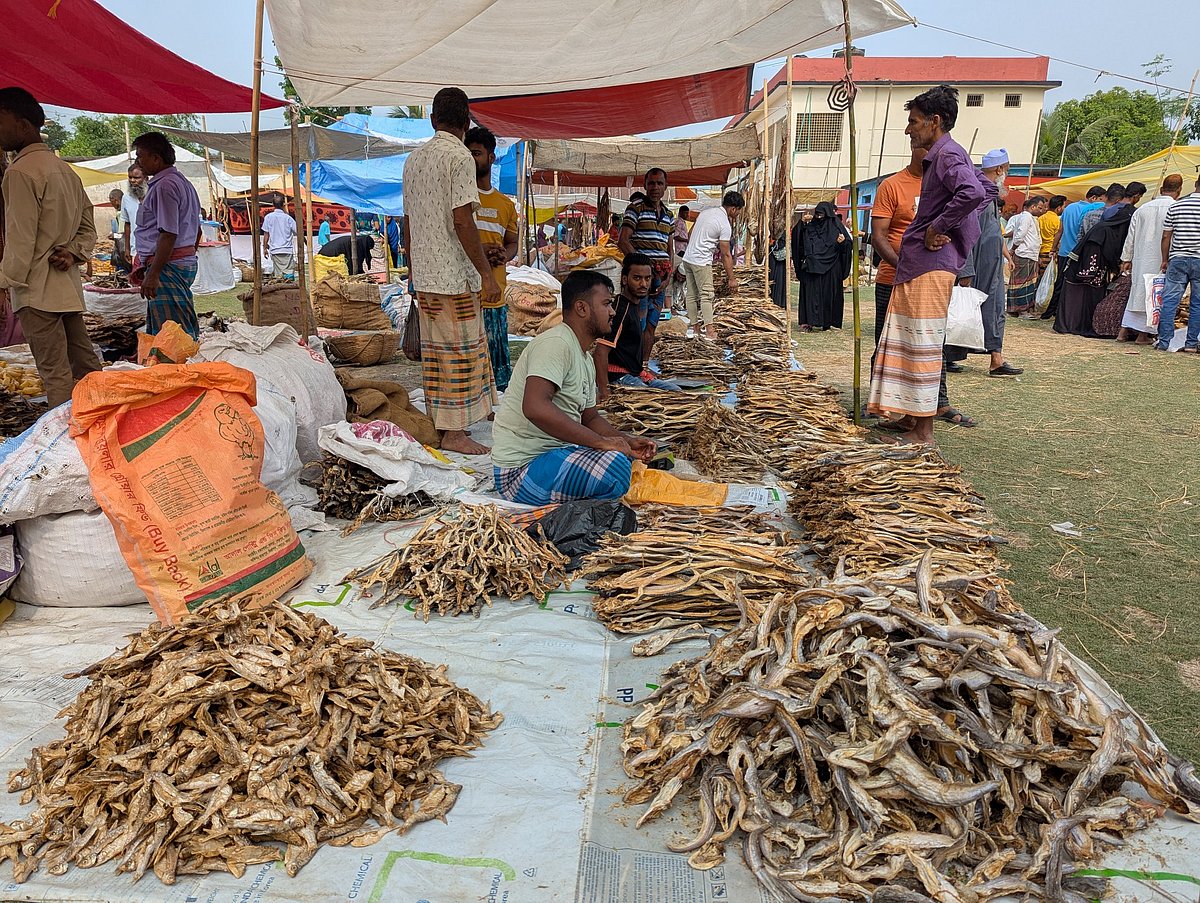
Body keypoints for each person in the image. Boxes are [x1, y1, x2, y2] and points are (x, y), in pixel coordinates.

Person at [868, 85, 985, 446]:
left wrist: (939, 226)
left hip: (931, 265)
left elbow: (976, 193)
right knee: (907, 341)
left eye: (914, 122)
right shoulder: (945, 155)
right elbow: (985, 188)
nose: (908, 130)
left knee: (923, 344)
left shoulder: (947, 155)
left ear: (935, 122)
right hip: (919, 264)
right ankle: (907, 418)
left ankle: (923, 431)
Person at [492, 269, 656, 505]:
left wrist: (626, 440)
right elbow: (535, 407)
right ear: (582, 308)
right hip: (520, 473)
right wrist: (602, 443)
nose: (612, 312)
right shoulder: (556, 343)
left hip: (553, 457)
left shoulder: (585, 358)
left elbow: (589, 418)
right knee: (615, 468)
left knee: (624, 458)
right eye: (607, 304)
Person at [401, 87, 499, 455]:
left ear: (432, 120)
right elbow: (462, 220)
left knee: (439, 354)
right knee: (459, 353)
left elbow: (407, 221)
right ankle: (454, 433)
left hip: (427, 274)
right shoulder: (459, 157)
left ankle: (456, 421)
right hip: (454, 276)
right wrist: (487, 275)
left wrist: (413, 268)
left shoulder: (414, 159)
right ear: (467, 121)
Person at [0, 86, 101, 407]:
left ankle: (68, 446)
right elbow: (88, 225)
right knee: (86, 367)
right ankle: (107, 421)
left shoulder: (19, 173)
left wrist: (3, 282)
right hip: (66, 289)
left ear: (23, 123)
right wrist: (74, 251)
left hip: (35, 291)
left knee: (55, 374)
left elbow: (20, 240)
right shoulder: (65, 170)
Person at [870, 146, 976, 426]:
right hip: (893, 278)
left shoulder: (947, 184)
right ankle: (892, 408)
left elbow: (965, 217)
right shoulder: (892, 185)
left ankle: (936, 405)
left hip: (930, 281)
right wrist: (904, 267)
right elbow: (879, 236)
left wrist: (960, 269)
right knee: (891, 345)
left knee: (930, 345)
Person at [955, 149, 1022, 376]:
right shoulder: (979, 191)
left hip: (991, 263)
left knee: (992, 310)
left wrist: (1006, 254)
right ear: (1000, 170)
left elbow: (994, 230)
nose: (1007, 176)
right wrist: (966, 268)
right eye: (1008, 170)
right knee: (967, 309)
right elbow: (964, 229)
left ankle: (996, 357)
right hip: (977, 265)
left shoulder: (990, 194)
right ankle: (958, 356)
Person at [130, 131, 202, 340]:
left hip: (168, 266)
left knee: (172, 335)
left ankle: (177, 371)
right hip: (178, 261)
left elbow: (168, 233)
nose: (137, 162)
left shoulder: (164, 186)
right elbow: (195, 229)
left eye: (140, 156)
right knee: (171, 330)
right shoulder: (181, 182)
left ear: (156, 158)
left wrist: (154, 273)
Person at [465, 125, 518, 392]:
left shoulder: (505, 205)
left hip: (494, 292)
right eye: (467, 154)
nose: (471, 159)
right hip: (463, 291)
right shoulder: (458, 200)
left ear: (491, 157)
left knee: (496, 364)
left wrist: (502, 255)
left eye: (476, 153)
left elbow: (512, 245)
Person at [595, 253, 682, 400]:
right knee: (658, 401)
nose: (643, 284)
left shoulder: (634, 306)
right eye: (637, 278)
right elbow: (600, 352)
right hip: (619, 377)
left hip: (634, 374)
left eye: (647, 279)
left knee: (677, 392)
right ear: (624, 279)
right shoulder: (619, 310)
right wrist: (604, 392)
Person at [1055, 184, 1134, 338]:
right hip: (1087, 268)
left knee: (1085, 296)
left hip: (1088, 268)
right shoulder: (1105, 231)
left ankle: (1078, 324)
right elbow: (1102, 252)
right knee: (1083, 295)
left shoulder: (1105, 228)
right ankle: (1074, 325)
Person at [618, 169, 675, 368]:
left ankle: (643, 367)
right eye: (651, 183)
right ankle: (630, 367)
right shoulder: (636, 208)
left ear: (665, 186)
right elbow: (623, 241)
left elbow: (670, 247)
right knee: (636, 324)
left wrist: (668, 275)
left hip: (660, 281)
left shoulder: (668, 214)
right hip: (640, 280)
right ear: (645, 185)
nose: (655, 188)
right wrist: (643, 269)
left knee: (651, 325)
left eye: (659, 183)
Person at [1118, 175, 1182, 342]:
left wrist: (1126, 258)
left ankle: (1123, 332)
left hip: (1140, 259)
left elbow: (1130, 237)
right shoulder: (1176, 208)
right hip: (1163, 259)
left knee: (1137, 294)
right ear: (1179, 191)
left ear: (1161, 190)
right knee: (1155, 296)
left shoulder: (1142, 208)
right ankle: (1143, 335)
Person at [681, 191, 743, 340]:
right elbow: (726, 254)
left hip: (688, 258)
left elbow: (690, 234)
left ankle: (695, 328)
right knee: (707, 295)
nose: (739, 214)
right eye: (739, 210)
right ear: (733, 209)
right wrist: (731, 278)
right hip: (701, 261)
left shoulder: (705, 213)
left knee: (691, 294)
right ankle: (710, 330)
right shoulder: (724, 224)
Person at [1154, 174, 1200, 352]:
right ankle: (1190, 344)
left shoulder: (1177, 205)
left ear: (1195, 184)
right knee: (1197, 303)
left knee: (1170, 301)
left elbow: (1166, 235)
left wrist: (1165, 259)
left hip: (1178, 259)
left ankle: (1164, 341)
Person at [1044, 186, 1104, 320]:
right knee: (1073, 285)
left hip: (1064, 251)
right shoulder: (1091, 210)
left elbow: (1060, 231)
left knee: (1059, 282)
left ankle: (1050, 311)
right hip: (1078, 252)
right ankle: (1065, 312)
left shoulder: (1069, 208)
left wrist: (1053, 248)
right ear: (1094, 197)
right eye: (1101, 199)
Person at [792, 200, 851, 330]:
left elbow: (847, 246)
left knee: (827, 296)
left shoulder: (836, 227)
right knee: (811, 296)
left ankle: (827, 322)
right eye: (817, 214)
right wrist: (801, 223)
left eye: (822, 215)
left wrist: (843, 243)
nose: (819, 218)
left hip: (831, 269)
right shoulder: (810, 226)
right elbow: (798, 240)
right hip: (812, 268)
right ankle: (809, 322)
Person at [1004, 195, 1047, 317]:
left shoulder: (1030, 218)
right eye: (1039, 208)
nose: (1041, 210)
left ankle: (1016, 309)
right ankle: (1022, 310)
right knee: (1023, 282)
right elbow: (1019, 236)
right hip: (1024, 254)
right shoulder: (1026, 218)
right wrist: (1013, 249)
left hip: (1030, 254)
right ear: (1032, 207)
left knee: (1026, 282)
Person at [261, 197, 296, 279]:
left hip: (275, 250)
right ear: (283, 205)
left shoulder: (268, 217)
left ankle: (281, 288)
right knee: (289, 272)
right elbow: (298, 231)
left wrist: (265, 248)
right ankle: (290, 288)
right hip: (287, 250)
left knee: (278, 274)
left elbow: (266, 234)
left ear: (273, 205)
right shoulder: (288, 218)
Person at [1039, 195, 1066, 277]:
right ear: (1058, 208)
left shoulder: (1040, 218)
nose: (1064, 209)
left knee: (1041, 277)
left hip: (1041, 252)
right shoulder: (1058, 221)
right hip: (1051, 253)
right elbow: (1058, 238)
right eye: (1064, 206)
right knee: (1050, 279)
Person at [670, 205, 690, 312]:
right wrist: (686, 240)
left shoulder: (683, 222)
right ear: (681, 212)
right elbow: (675, 235)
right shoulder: (678, 222)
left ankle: (679, 303)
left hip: (683, 251)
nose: (688, 215)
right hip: (679, 250)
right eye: (686, 213)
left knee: (681, 285)